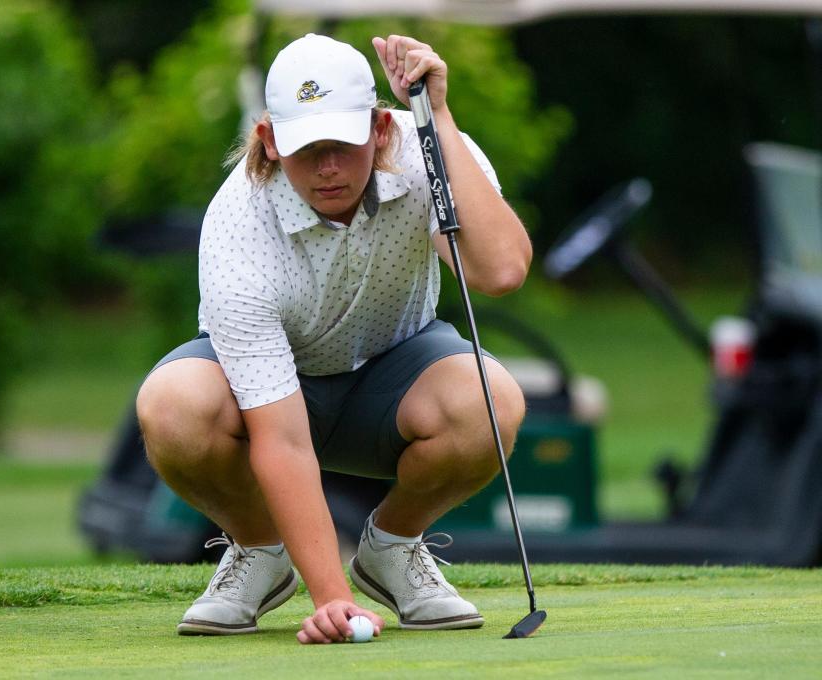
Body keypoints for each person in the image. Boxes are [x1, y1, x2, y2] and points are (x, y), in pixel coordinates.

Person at [136, 32, 532, 645]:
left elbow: (500, 271)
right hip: (264, 400)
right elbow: (284, 442)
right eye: (306, 149)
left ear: (378, 129)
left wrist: (441, 116)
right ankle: (260, 551)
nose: (327, 168)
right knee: (173, 408)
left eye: (343, 146)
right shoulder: (239, 221)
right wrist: (332, 601)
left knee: (491, 401)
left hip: (392, 376)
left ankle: (392, 548)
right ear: (269, 140)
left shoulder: (427, 149)